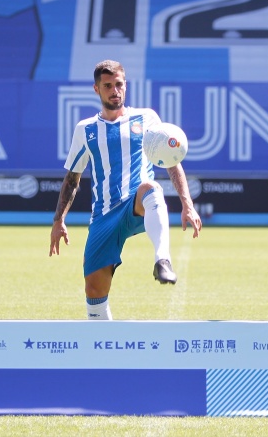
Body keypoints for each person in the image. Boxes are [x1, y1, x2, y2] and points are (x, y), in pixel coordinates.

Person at [49, 59, 202, 320]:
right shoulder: (85, 129)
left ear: (125, 85)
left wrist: (187, 204)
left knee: (151, 187)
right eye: (108, 86)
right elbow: (72, 179)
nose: (115, 90)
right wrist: (58, 220)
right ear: (97, 89)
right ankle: (104, 342)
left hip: (137, 203)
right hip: (104, 215)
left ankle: (162, 260)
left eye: (119, 84)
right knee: (94, 290)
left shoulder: (147, 118)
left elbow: (171, 161)